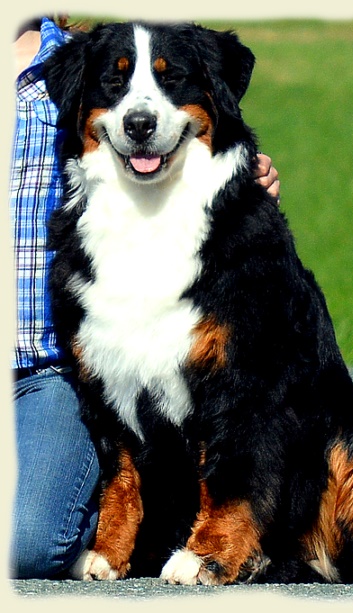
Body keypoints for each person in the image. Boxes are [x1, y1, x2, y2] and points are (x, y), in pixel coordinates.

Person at [10, 15, 280, 579]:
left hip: (43, 369)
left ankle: (140, 515)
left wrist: (239, 193)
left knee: (25, 543)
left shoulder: (76, 59)